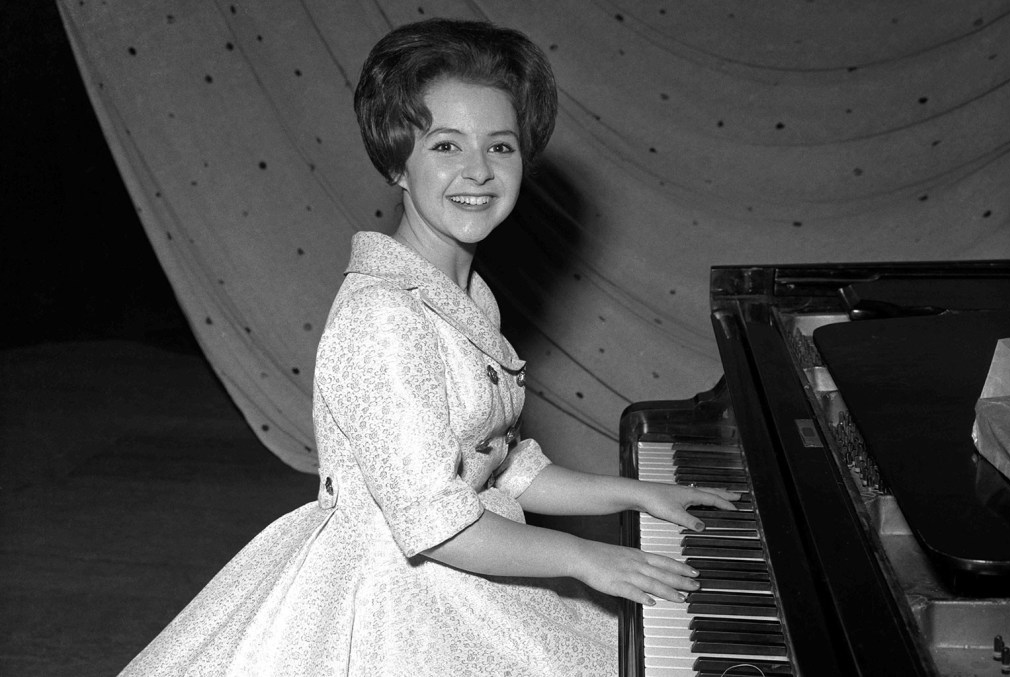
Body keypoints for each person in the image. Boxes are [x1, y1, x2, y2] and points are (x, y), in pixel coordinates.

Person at [118, 18, 738, 676]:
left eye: (501, 147)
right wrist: (588, 557)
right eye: (446, 145)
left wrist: (633, 495)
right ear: (397, 164)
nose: (479, 171)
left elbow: (500, 467)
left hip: (473, 555)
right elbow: (436, 524)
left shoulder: (464, 297)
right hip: (401, 596)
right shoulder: (384, 316)